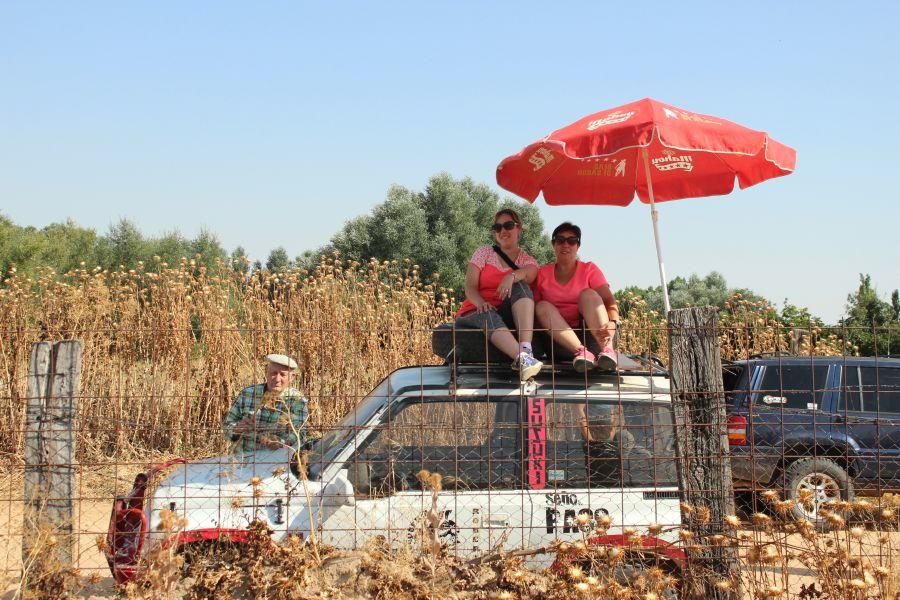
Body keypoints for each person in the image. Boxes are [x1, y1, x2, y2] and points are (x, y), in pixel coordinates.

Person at [454, 208, 543, 380]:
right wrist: (480, 302)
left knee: (522, 286)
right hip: (476, 310)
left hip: (504, 311)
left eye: (508, 225)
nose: (503, 231)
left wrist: (511, 276)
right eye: (497, 227)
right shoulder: (485, 252)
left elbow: (530, 273)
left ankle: (525, 348)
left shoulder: (526, 260)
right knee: (487, 313)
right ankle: (522, 359)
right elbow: (470, 286)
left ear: (519, 229)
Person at [534, 222, 621, 372]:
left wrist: (613, 322)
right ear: (553, 244)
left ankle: (607, 351)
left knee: (588, 295)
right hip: (559, 342)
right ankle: (581, 352)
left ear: (578, 246)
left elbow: (608, 300)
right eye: (560, 240)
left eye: (572, 241)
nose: (566, 244)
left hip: (594, 339)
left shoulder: (589, 269)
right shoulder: (542, 273)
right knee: (541, 306)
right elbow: (534, 313)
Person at [223, 354, 309, 454]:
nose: (277, 379)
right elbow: (227, 426)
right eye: (273, 373)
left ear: (292, 377)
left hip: (278, 461)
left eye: (283, 375)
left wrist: (282, 443)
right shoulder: (247, 394)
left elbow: (300, 433)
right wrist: (236, 429)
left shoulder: (297, 400)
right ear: (266, 373)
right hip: (244, 458)